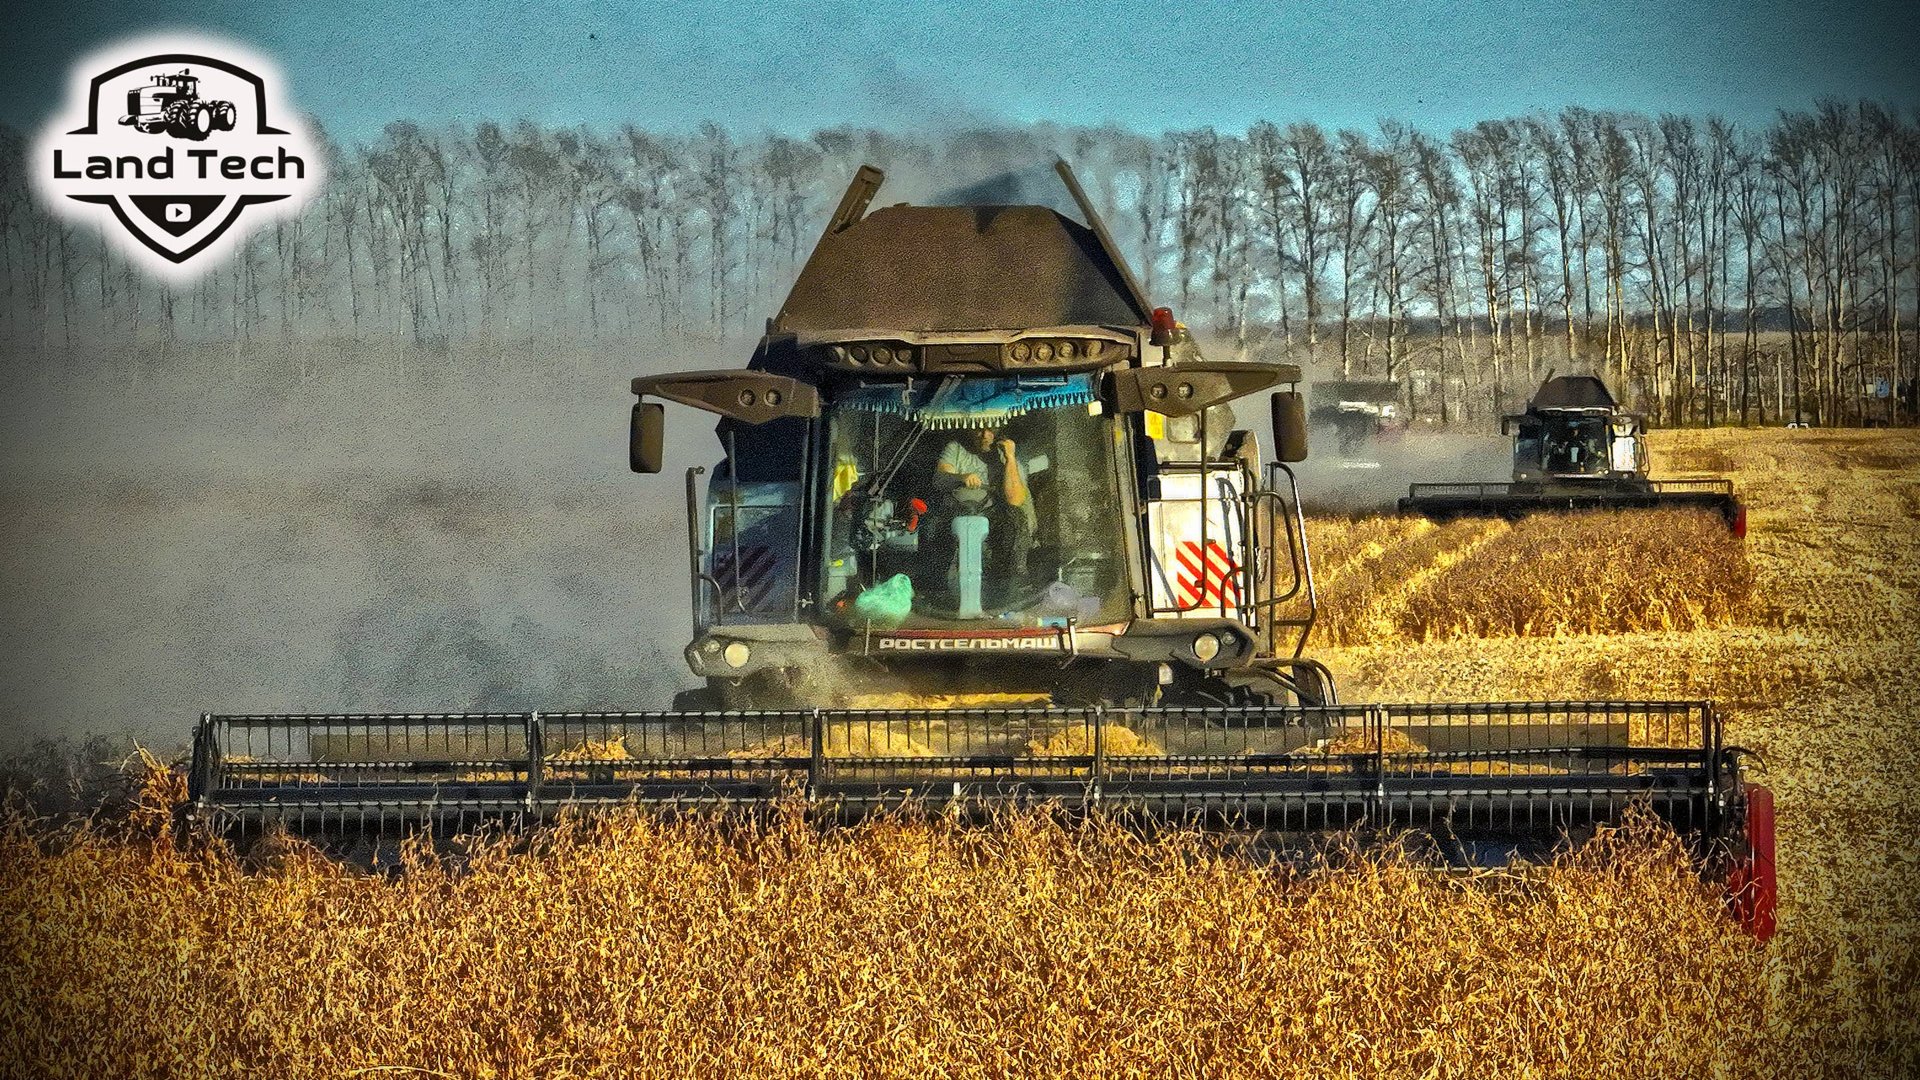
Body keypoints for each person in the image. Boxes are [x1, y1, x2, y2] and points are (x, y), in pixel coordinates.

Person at [934, 425, 1037, 577]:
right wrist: (961, 477)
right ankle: (936, 582)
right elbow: (940, 479)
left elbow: (1015, 499)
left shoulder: (1006, 455)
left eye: (991, 430)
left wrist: (1010, 458)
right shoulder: (955, 448)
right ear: (970, 430)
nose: (985, 435)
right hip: (957, 510)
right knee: (932, 526)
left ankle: (1015, 577)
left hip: (992, 514)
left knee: (1017, 519)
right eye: (979, 429)